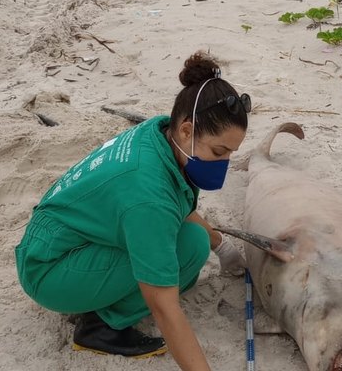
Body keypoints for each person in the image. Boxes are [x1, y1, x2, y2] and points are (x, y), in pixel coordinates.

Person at [15, 52, 251, 370]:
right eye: (218, 152)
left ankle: (98, 296)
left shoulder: (158, 133)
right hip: (49, 271)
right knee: (183, 255)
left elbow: (175, 201)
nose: (222, 164)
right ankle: (101, 326)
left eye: (230, 154)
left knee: (194, 242)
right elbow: (164, 306)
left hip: (59, 240)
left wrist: (220, 245)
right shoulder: (148, 197)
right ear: (185, 130)